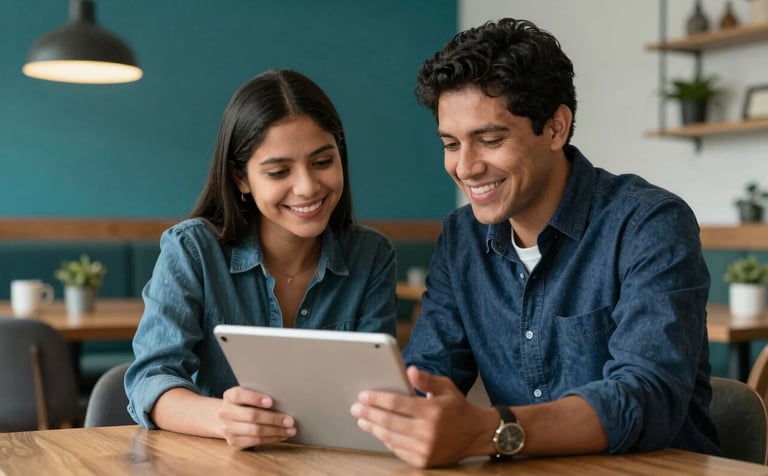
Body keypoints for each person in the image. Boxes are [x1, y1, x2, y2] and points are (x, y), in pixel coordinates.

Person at [350, 18, 720, 468]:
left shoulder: (649, 224)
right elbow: (428, 372)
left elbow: (646, 397)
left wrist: (488, 430)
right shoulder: (461, 238)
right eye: (451, 143)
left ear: (555, 128)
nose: (465, 167)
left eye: (489, 139)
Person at [125, 69, 397, 448]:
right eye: (279, 171)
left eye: (322, 162)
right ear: (241, 178)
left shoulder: (372, 256)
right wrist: (223, 418)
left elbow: (375, 395)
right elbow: (151, 380)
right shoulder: (193, 250)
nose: (307, 187)